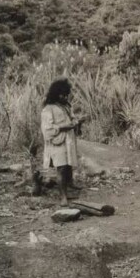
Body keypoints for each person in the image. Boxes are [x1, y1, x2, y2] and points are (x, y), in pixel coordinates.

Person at [41, 78, 79, 206]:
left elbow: (72, 119)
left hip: (68, 140)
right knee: (61, 168)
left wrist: (76, 122)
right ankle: (63, 196)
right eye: (63, 95)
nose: (65, 97)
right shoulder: (48, 109)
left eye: (67, 95)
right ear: (56, 94)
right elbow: (47, 130)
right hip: (57, 142)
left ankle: (70, 187)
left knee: (68, 165)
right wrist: (64, 127)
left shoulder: (67, 106)